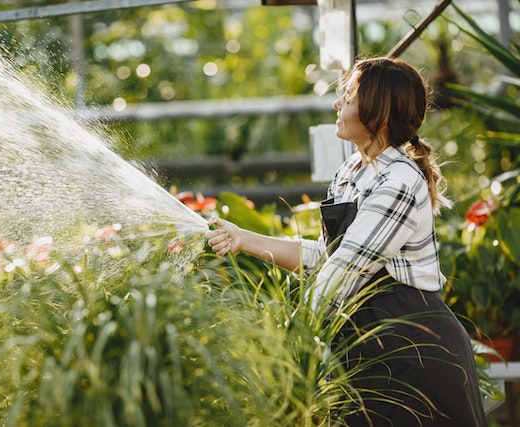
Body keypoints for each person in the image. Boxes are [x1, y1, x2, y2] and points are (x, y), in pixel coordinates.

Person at [205, 57, 487, 426]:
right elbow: (328, 257)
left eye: (348, 98)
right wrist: (244, 239)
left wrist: (277, 338)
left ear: (379, 114)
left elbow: (345, 269)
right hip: (367, 343)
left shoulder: (400, 182)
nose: (337, 104)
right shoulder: (350, 172)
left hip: (413, 349)